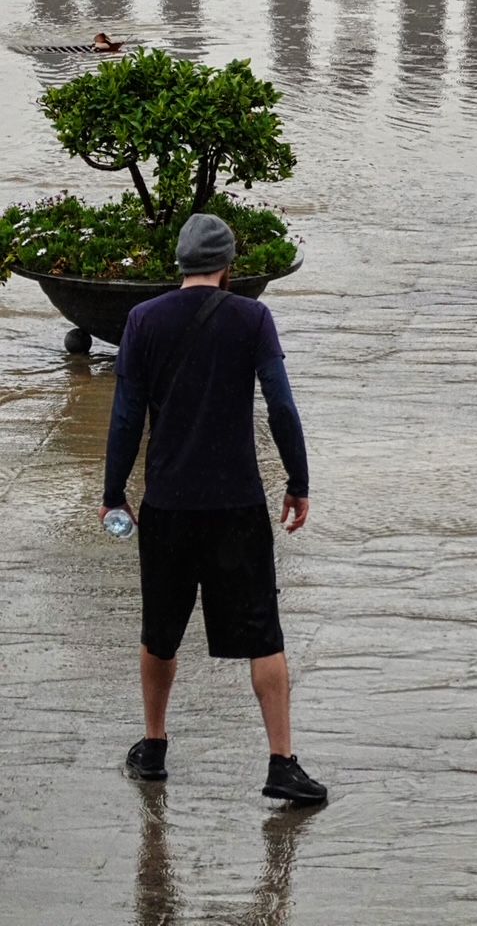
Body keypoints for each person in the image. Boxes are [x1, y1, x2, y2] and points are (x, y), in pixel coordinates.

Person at [99, 212, 327, 805]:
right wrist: (298, 481)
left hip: (168, 505)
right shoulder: (252, 317)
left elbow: (125, 417)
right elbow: (281, 406)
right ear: (227, 266)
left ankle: (153, 749)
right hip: (237, 504)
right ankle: (281, 762)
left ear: (179, 261)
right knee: (263, 635)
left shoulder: (142, 321)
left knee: (161, 631)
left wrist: (112, 492)